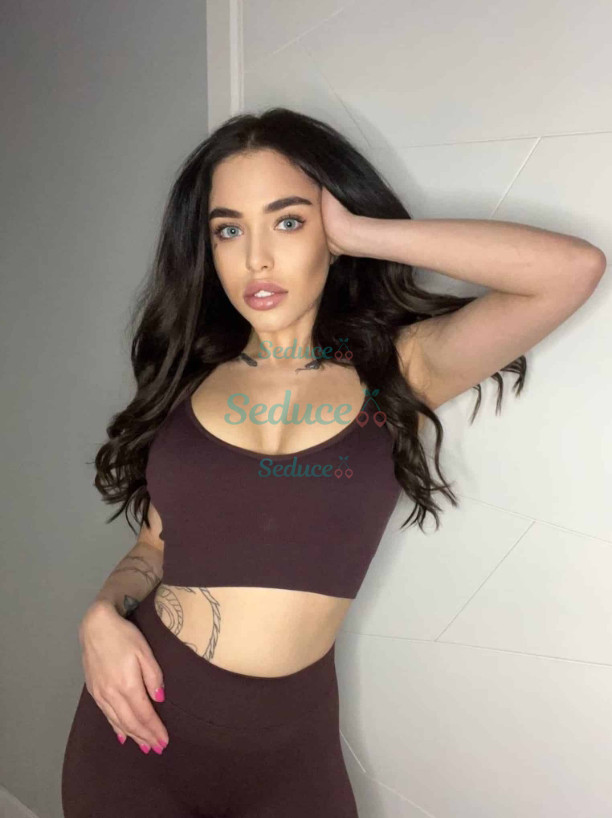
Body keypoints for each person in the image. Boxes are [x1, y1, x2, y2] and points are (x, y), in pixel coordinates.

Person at [61, 107, 605, 817]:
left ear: (330, 226)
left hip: (290, 753)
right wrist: (103, 613)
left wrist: (361, 234)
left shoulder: (399, 369)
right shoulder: (187, 380)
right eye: (229, 230)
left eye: (287, 221)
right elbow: (156, 545)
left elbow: (571, 270)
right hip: (141, 728)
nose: (257, 258)